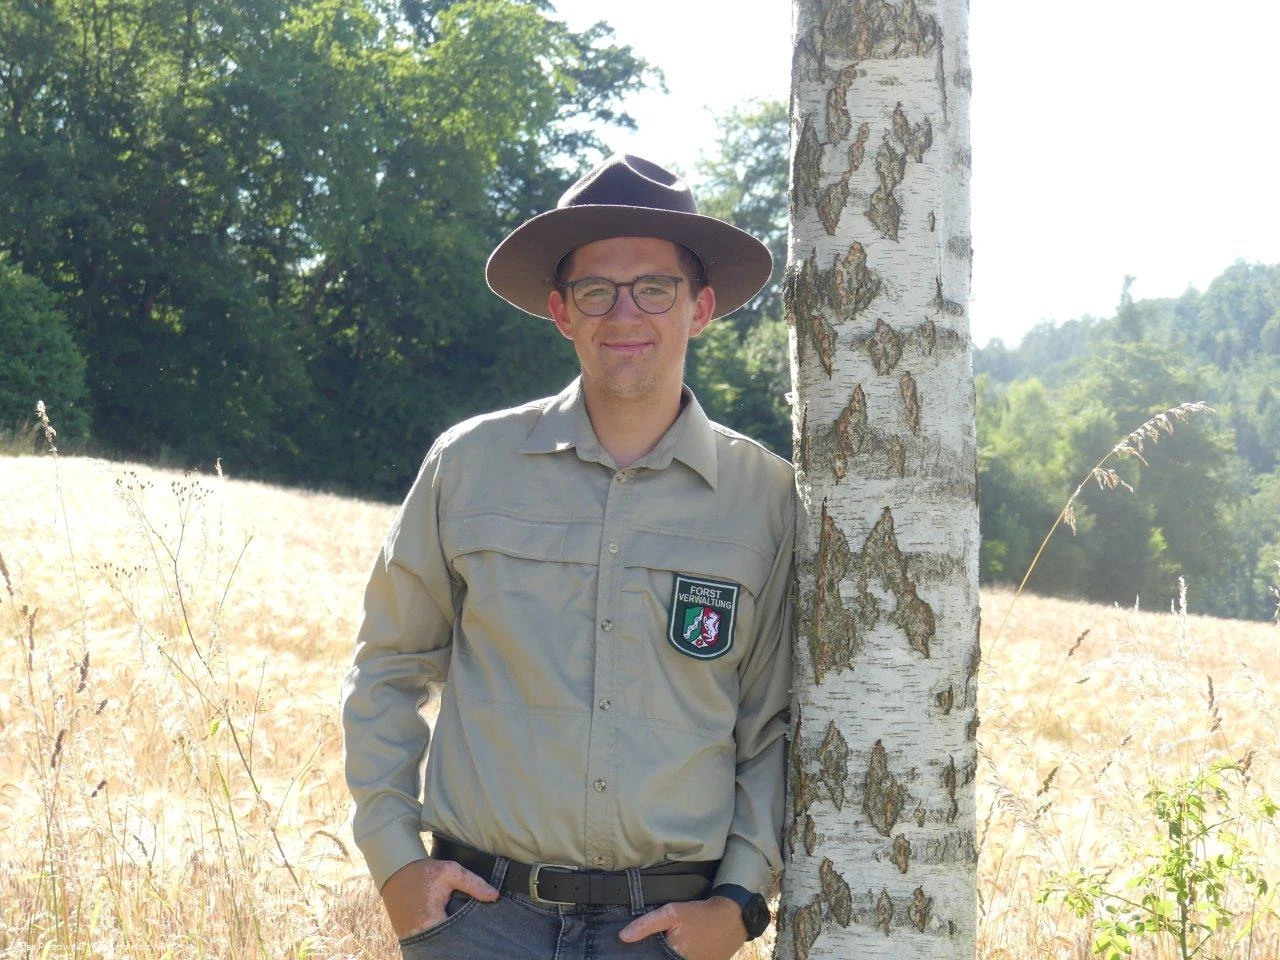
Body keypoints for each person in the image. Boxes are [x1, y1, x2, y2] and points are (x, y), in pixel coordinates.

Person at [342, 154, 795, 960]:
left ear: (702, 307)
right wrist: (395, 862)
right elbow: (388, 665)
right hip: (478, 924)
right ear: (561, 310)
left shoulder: (765, 499)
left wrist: (740, 902)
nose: (626, 312)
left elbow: (772, 725)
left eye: (655, 288)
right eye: (597, 290)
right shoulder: (467, 465)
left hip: (667, 935)